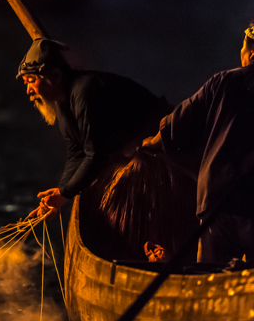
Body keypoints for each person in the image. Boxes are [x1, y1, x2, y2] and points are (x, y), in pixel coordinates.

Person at [139, 18, 254, 263]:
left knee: (210, 276)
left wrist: (149, 144)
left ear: (252, 48)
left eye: (244, 44)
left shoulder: (222, 83)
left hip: (217, 201)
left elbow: (175, 128)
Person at [19, 38, 188, 259]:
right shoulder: (63, 104)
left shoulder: (85, 91)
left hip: (161, 153)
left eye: (31, 81)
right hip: (131, 155)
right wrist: (60, 192)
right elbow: (76, 152)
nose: (29, 90)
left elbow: (95, 154)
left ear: (56, 76)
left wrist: (66, 193)